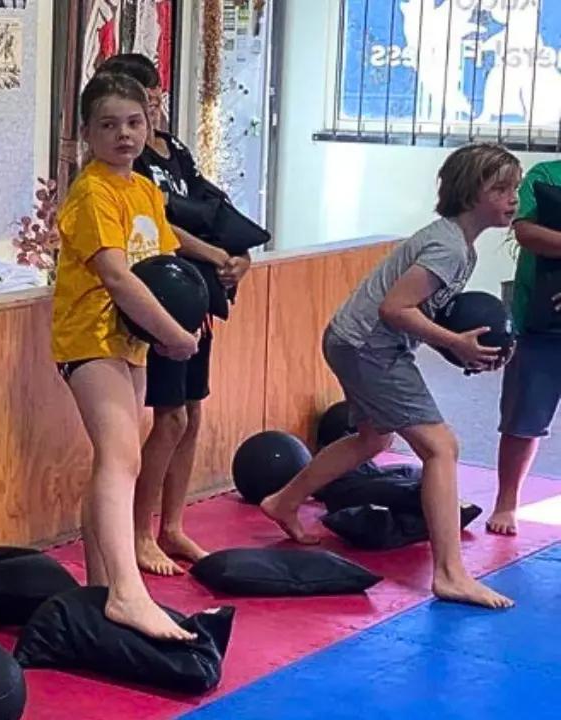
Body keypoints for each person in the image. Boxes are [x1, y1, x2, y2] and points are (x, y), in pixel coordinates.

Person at [260, 142, 521, 610]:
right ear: (469, 193)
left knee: (372, 439)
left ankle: (283, 500)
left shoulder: (458, 246)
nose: (512, 198)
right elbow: (395, 308)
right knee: (441, 447)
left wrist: (465, 347)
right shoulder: (446, 246)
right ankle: (450, 573)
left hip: (355, 339)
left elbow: (416, 313)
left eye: (514, 189)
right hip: (369, 346)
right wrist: (453, 343)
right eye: (500, 189)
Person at [51, 71, 200, 640]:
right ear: (87, 132)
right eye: (109, 125)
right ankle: (124, 591)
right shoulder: (92, 192)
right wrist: (174, 335)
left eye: (134, 123)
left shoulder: (143, 191)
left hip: (128, 341)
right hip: (90, 339)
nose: (124, 135)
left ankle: (97, 586)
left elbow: (165, 268)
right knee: (121, 458)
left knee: (113, 459)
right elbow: (115, 273)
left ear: (150, 124)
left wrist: (190, 312)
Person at [97, 52, 252, 575]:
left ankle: (172, 525)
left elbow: (213, 210)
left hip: (193, 299)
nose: (148, 117)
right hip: (157, 307)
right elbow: (162, 235)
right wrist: (211, 256)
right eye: (143, 105)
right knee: (169, 419)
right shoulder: (126, 169)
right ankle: (141, 533)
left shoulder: (174, 151)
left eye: (154, 102)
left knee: (192, 412)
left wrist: (237, 254)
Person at [489, 155, 561, 536]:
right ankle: (507, 502)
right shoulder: (545, 175)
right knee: (523, 416)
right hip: (539, 322)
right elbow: (527, 232)